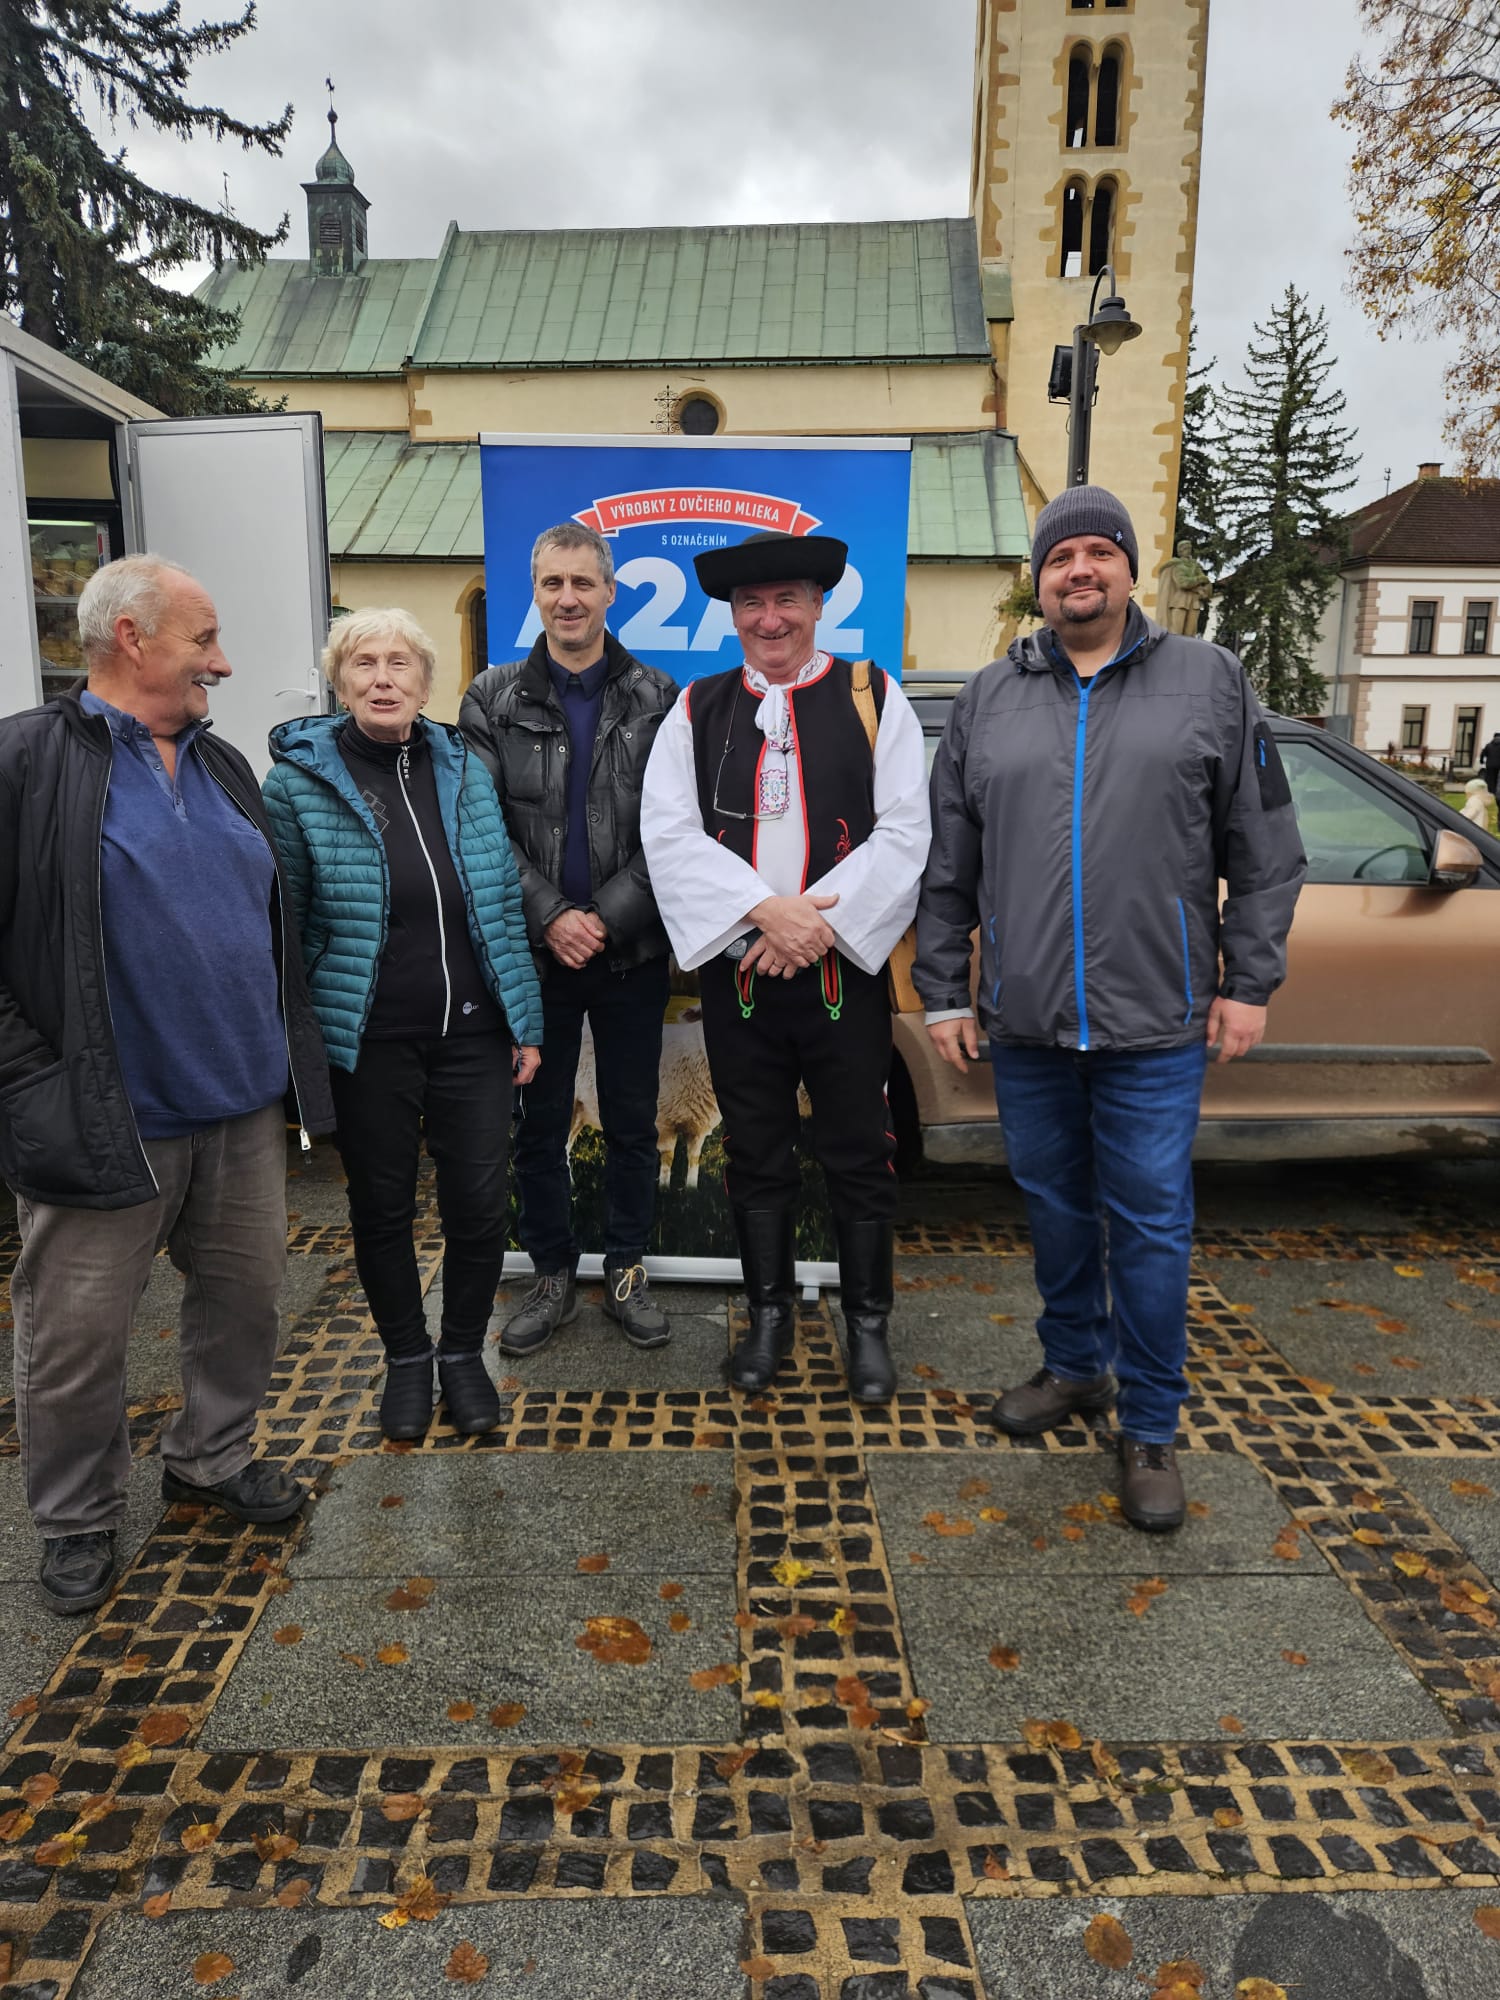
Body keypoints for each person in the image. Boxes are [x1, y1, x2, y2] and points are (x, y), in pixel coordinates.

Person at [916, 487, 1305, 1530]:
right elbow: (949, 865)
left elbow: (1266, 850)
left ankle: (1151, 1421)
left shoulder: (1209, 680)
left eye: (1100, 551)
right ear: (1039, 579)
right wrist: (944, 990)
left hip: (1157, 1021)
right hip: (1028, 1021)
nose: (1079, 570)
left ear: (1129, 569)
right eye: (1060, 557)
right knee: (1053, 1209)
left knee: (1149, 1225)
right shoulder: (991, 696)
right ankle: (1075, 1365)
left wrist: (1249, 984)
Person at [0, 555, 335, 1615]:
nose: (222, 662)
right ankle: (76, 1517)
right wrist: (30, 1077)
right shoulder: (26, 759)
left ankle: (210, 1454)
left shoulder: (223, 762)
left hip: (241, 1108)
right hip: (106, 1116)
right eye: (204, 640)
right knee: (75, 1337)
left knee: (244, 1305)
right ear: (131, 637)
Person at [641, 530, 930, 1401]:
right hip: (741, 974)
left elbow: (905, 830)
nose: (770, 619)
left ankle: (867, 1324)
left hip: (843, 973)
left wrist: (811, 926)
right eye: (752, 604)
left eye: (787, 600)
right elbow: (668, 833)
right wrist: (765, 914)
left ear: (819, 605)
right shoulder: (697, 708)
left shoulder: (873, 694)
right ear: (734, 616)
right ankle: (768, 1316)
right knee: (756, 1146)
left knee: (859, 1146)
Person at [262, 610, 541, 1442]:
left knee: (479, 1206)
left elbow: (500, 903)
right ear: (339, 682)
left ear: (424, 680)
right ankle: (408, 1360)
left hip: (476, 1033)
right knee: (381, 1208)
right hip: (368, 1038)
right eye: (363, 663)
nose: (382, 678)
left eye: (399, 663)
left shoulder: (465, 767)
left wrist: (524, 1021)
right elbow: (285, 925)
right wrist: (299, 1045)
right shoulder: (297, 784)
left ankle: (462, 1354)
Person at [460, 524, 679, 1355]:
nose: (568, 598)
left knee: (631, 1121)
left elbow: (677, 831)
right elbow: (477, 825)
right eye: (552, 583)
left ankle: (625, 1268)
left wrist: (606, 917)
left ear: (610, 592)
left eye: (583, 583)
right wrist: (551, 915)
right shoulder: (492, 698)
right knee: (539, 1124)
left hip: (630, 953)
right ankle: (551, 1272)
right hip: (532, 958)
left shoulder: (659, 696)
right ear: (535, 592)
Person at [1479, 730, 1500, 799]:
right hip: (1498, 765)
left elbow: (1483, 754)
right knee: (1497, 779)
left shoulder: (1488, 745)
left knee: (1490, 778)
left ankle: (1490, 791)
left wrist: (1481, 761)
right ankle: (1496, 792)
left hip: (1490, 765)